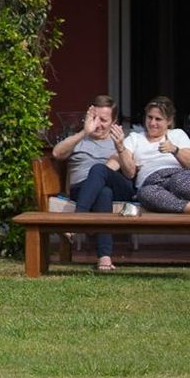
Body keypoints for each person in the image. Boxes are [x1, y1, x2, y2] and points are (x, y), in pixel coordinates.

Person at [49, 95, 134, 271]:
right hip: (82, 189)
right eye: (94, 118)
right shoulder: (79, 139)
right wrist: (84, 133)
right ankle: (104, 258)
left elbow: (130, 172)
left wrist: (120, 148)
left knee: (98, 170)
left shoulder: (120, 141)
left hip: (117, 185)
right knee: (103, 193)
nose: (98, 124)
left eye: (103, 120)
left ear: (114, 121)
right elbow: (57, 154)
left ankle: (75, 221)